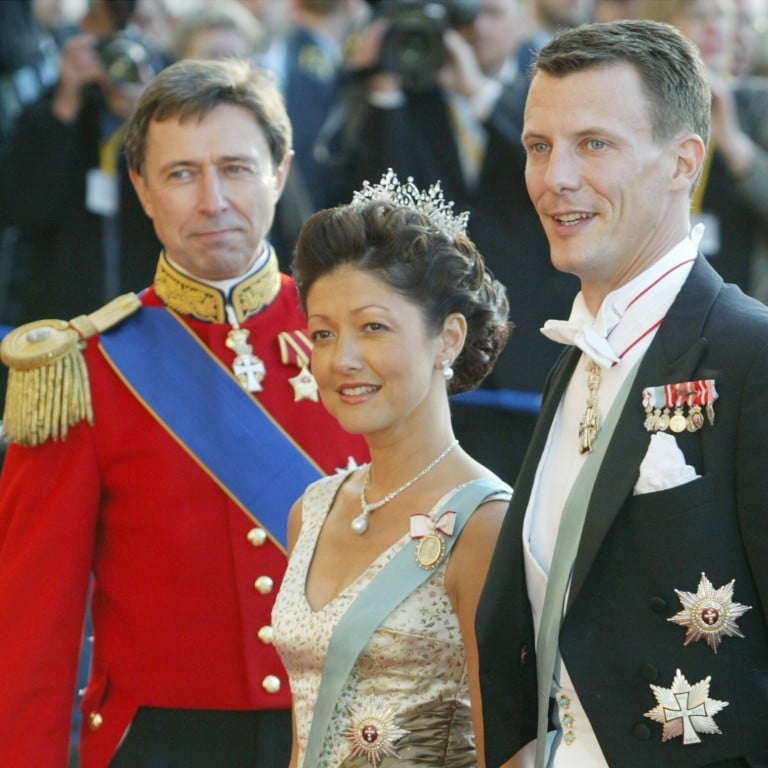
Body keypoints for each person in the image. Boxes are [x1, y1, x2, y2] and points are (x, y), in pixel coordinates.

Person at [0, 57, 368, 768]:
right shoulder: (83, 369)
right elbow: (32, 623)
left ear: (280, 173)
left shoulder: (361, 334)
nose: (212, 201)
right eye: (180, 174)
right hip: (164, 744)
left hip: (351, 731)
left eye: (235, 168)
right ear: (140, 188)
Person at [475, 18, 768, 768]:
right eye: (539, 146)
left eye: (594, 144)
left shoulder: (751, 352)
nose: (556, 178)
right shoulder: (571, 364)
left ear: (683, 162)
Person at [272, 170, 513, 767]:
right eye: (322, 334)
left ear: (448, 339)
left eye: (373, 327)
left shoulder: (485, 524)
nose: (342, 359)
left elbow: (512, 752)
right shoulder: (313, 510)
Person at [322, 0, 577, 484]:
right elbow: (375, 203)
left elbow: (552, 174)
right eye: (460, 17)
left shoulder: (548, 98)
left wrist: (479, 94)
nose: (474, 28)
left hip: (533, 345)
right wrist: (383, 85)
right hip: (435, 347)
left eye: (490, 13)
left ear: (526, 18)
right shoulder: (411, 99)